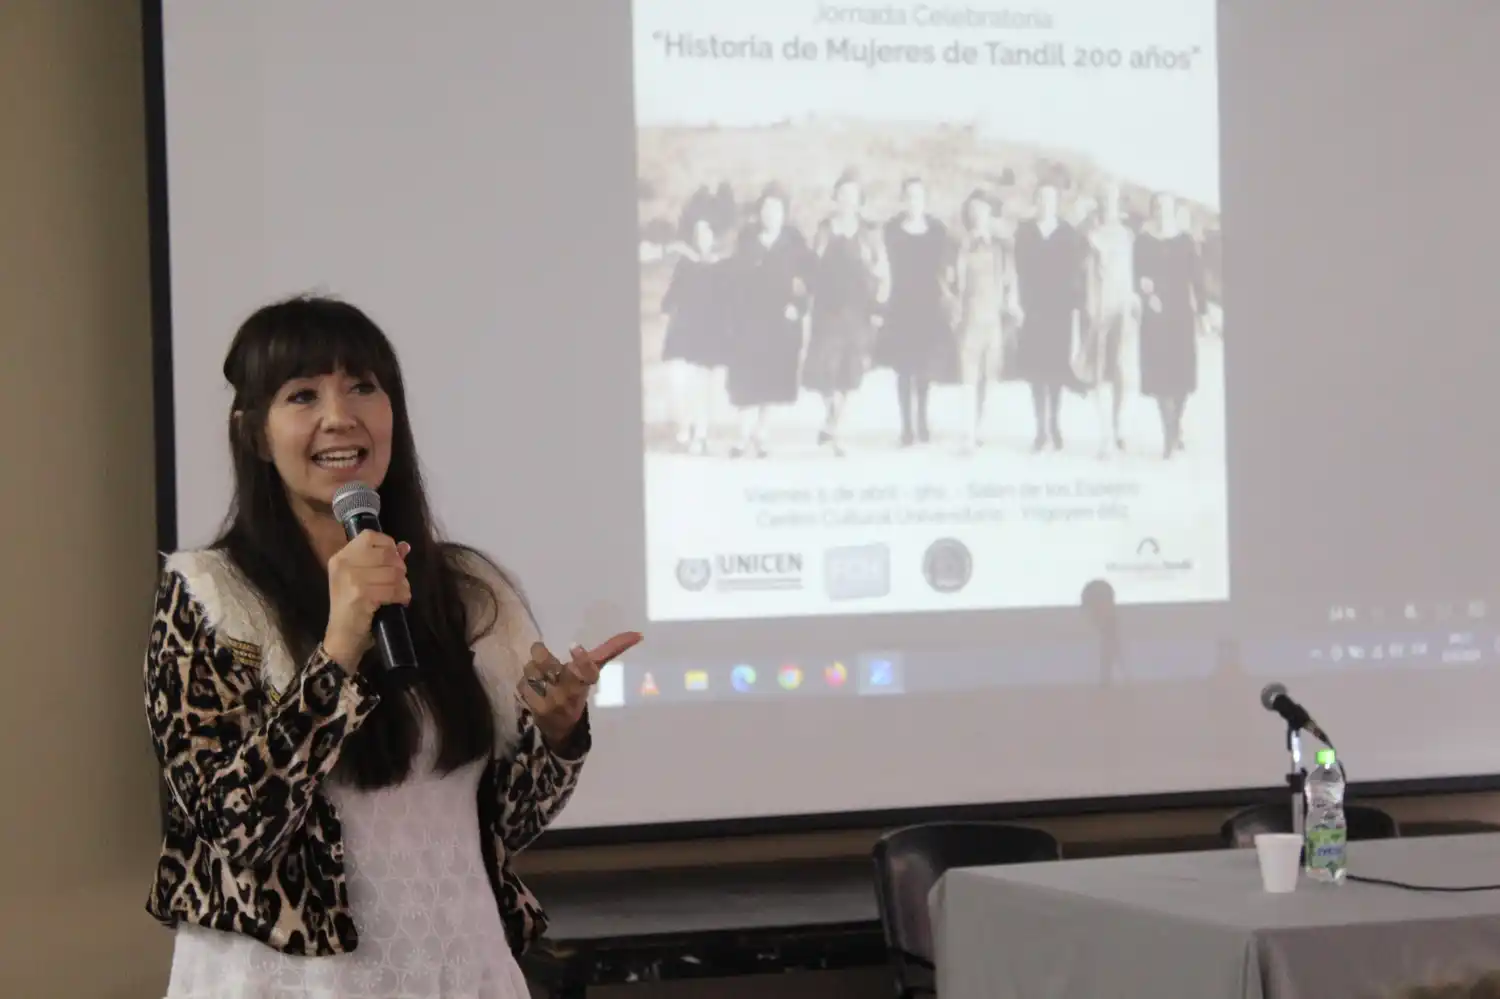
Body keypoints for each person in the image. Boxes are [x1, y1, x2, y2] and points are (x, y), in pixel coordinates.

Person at [143, 295, 642, 998]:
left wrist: (558, 733)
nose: (339, 416)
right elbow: (236, 827)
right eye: (303, 395)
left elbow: (503, 822)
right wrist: (338, 648)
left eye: (362, 387)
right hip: (294, 980)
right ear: (255, 433)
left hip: (457, 959)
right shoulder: (210, 596)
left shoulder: (469, 590)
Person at [803, 169, 888, 456]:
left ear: (859, 200)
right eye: (842, 195)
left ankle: (835, 429)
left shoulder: (869, 233)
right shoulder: (824, 230)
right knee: (821, 370)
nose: (847, 201)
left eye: (852, 196)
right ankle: (831, 417)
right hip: (826, 311)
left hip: (858, 312)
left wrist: (879, 306)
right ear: (835, 198)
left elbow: (883, 271)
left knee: (848, 372)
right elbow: (810, 268)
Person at [724, 184, 810, 458]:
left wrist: (798, 307)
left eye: (776, 209)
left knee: (773, 379)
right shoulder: (747, 241)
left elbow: (807, 281)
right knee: (745, 377)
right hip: (749, 320)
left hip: (780, 322)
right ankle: (742, 436)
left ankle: (762, 435)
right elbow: (734, 278)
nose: (770, 214)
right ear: (759, 212)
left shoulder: (794, 244)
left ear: (784, 214)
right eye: (766, 209)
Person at [879, 176, 953, 447]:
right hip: (900, 305)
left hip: (928, 305)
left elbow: (946, 267)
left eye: (918, 196)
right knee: (903, 369)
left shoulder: (937, 230)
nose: (913, 201)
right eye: (909, 196)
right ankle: (906, 428)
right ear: (902, 199)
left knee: (923, 369)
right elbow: (884, 266)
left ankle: (922, 421)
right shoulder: (892, 230)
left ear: (925, 200)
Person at [1013, 182, 1086, 452]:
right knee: (1035, 370)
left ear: (1057, 203)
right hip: (1034, 307)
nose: (1046, 203)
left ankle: (1055, 425)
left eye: (1051, 198)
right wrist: (1019, 303)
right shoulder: (1025, 231)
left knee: (1055, 369)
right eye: (1042, 198)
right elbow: (1018, 269)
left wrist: (1076, 305)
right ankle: (1039, 429)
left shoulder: (1067, 232)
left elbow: (1075, 271)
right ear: (1036, 201)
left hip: (1060, 308)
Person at [1134, 191, 1208, 458]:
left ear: (1173, 212)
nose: (1161, 213)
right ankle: (1169, 437)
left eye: (1167, 208)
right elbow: (1136, 275)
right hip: (1154, 316)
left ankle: (1176, 425)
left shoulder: (1186, 241)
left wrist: (1203, 313)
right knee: (1160, 378)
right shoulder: (1143, 241)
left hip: (1180, 316)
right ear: (1152, 211)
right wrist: (1146, 293)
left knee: (1182, 377)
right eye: (1157, 208)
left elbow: (1198, 280)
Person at [952, 188, 1015, 452]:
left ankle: (979, 427)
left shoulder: (1002, 247)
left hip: (994, 319)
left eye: (983, 210)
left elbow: (1011, 280)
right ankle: (967, 433)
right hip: (968, 317)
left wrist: (1012, 304)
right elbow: (954, 282)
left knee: (988, 378)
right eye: (973, 211)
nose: (978, 216)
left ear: (991, 214)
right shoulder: (961, 245)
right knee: (968, 377)